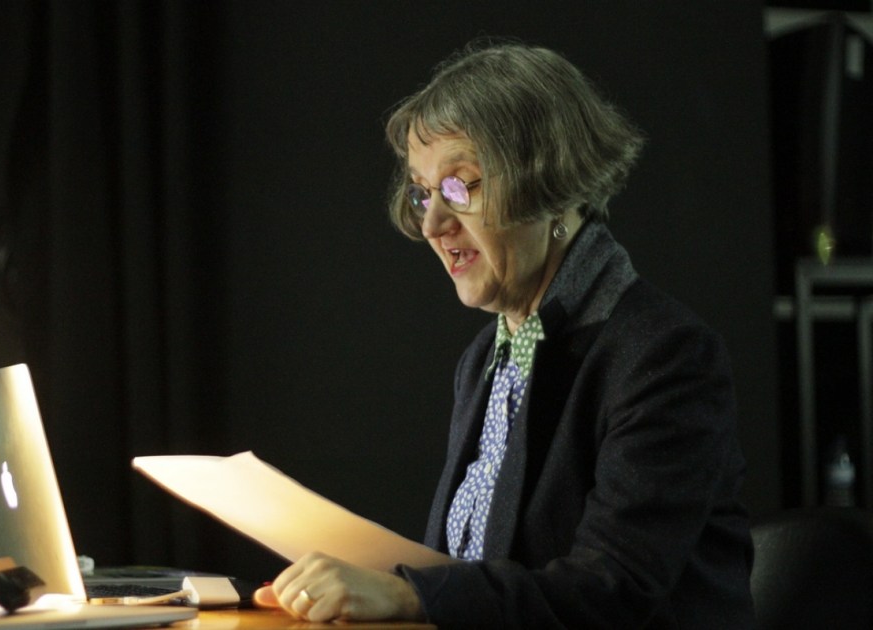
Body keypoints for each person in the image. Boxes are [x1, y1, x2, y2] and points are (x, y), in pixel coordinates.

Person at [253, 40, 755, 628]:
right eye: (423, 193)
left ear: (553, 186)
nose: (433, 224)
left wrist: (411, 596)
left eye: (460, 187)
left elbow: (611, 588)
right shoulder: (486, 357)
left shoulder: (664, 354)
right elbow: (476, 573)